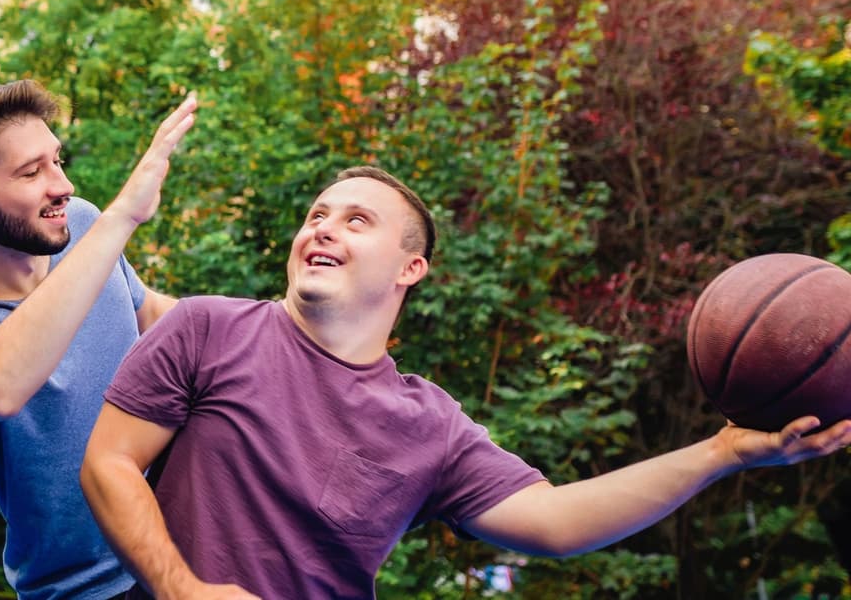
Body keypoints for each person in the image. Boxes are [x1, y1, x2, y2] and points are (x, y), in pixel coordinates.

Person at [81, 165, 851, 600]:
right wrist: (181, 589)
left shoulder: (429, 424)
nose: (322, 227)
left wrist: (721, 453)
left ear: (411, 268)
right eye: (318, 214)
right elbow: (108, 462)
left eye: (356, 221)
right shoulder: (209, 329)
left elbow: (554, 523)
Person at [0, 80, 196, 600]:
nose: (61, 185)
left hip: (186, 555)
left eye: (56, 160)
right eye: (32, 172)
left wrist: (280, 325)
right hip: (86, 591)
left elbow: (152, 313)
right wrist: (122, 217)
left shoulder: (79, 224)